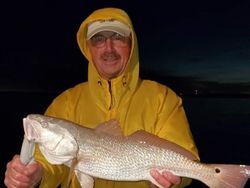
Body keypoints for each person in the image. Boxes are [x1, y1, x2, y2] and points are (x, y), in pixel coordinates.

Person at [4, 7, 199, 188]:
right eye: (98, 39)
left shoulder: (163, 98)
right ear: (88, 47)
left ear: (131, 45)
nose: (108, 48)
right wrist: (34, 175)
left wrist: (176, 181)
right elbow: (48, 163)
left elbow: (187, 163)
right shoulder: (66, 102)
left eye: (117, 37)